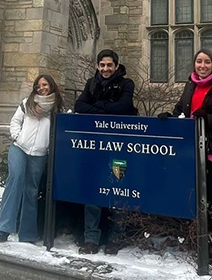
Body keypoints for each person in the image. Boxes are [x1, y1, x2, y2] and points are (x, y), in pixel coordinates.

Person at [158, 48, 212, 214]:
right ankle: (192, 233)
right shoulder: (191, 84)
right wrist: (169, 118)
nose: (202, 65)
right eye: (199, 61)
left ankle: (211, 235)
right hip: (190, 150)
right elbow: (182, 111)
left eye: (207, 62)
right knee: (191, 196)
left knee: (211, 200)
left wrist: (209, 118)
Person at [74, 49, 137, 255]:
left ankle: (116, 237)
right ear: (98, 66)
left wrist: (98, 107)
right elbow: (79, 105)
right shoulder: (91, 84)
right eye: (102, 65)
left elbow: (124, 107)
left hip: (120, 146)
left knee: (119, 189)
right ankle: (91, 238)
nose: (106, 69)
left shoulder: (126, 84)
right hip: (95, 146)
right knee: (93, 189)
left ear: (116, 66)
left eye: (109, 65)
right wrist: (105, 109)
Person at [0, 74, 64, 243]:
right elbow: (15, 122)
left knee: (31, 191)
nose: (42, 88)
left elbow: (59, 132)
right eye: (38, 86)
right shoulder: (27, 103)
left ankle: (27, 234)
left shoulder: (56, 108)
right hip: (19, 149)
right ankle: (4, 229)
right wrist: (17, 137)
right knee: (15, 180)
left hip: (39, 154)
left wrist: (48, 147)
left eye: (45, 84)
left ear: (51, 86)